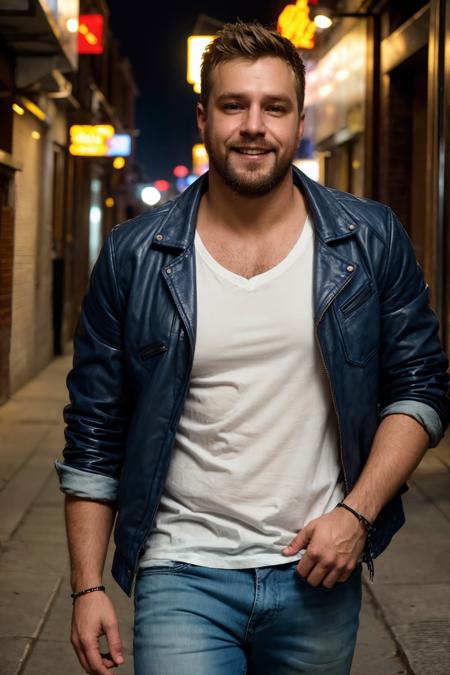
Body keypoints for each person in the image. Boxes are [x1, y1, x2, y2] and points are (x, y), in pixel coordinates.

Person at [56, 21, 449, 675]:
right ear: (206, 116)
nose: (253, 125)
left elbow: (420, 385)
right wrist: (88, 583)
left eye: (274, 106)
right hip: (180, 568)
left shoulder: (368, 238)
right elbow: (94, 429)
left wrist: (357, 513)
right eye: (235, 105)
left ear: (299, 117)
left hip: (318, 567)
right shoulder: (133, 255)